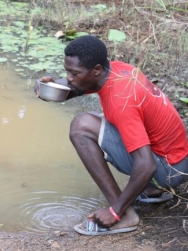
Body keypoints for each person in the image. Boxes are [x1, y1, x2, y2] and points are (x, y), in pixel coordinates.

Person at [34, 35, 188, 236]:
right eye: (67, 72)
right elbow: (77, 87)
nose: (69, 78)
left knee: (82, 127)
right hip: (178, 159)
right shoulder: (116, 70)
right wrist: (50, 87)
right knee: (105, 123)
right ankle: (152, 191)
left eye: (74, 73)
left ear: (96, 70)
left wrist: (115, 212)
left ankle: (125, 216)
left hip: (168, 170)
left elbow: (146, 164)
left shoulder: (119, 101)